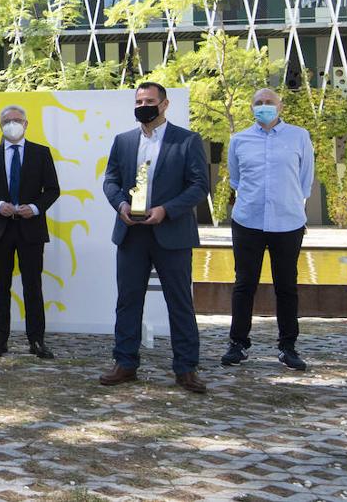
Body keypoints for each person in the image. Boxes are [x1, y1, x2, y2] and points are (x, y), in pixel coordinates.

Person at [100, 82, 211, 394]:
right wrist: (120, 205)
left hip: (172, 234)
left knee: (180, 302)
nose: (143, 106)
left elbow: (199, 185)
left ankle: (186, 368)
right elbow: (110, 180)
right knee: (128, 300)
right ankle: (125, 362)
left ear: (164, 104)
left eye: (149, 100)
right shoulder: (123, 141)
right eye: (138, 101)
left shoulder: (187, 140)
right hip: (131, 233)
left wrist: (167, 210)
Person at [223, 88, 315, 371]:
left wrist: (289, 203)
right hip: (248, 220)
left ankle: (288, 347)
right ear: (251, 107)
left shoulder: (299, 136)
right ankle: (238, 344)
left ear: (280, 107)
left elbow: (305, 179)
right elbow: (236, 179)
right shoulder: (239, 140)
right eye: (258, 103)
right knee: (244, 284)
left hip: (288, 222)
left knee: (286, 286)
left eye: (269, 102)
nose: (264, 106)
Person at [0, 104, 61, 359]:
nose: (12, 124)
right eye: (7, 121)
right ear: (1, 126)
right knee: (0, 287)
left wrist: (34, 208)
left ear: (26, 124)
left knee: (33, 286)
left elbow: (52, 190)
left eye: (17, 120)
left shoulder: (41, 153)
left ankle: (37, 341)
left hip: (30, 230)